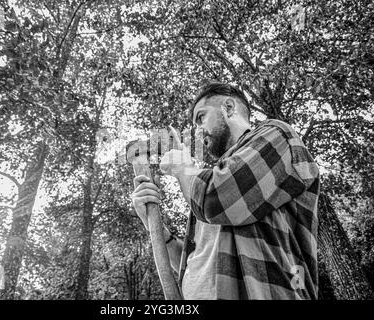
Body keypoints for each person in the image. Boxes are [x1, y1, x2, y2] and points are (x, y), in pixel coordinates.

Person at [131, 83, 320, 299]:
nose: (197, 131)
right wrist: (153, 225)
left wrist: (183, 168)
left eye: (201, 117)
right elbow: (196, 259)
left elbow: (216, 199)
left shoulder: (277, 135)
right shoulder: (211, 180)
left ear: (229, 107)